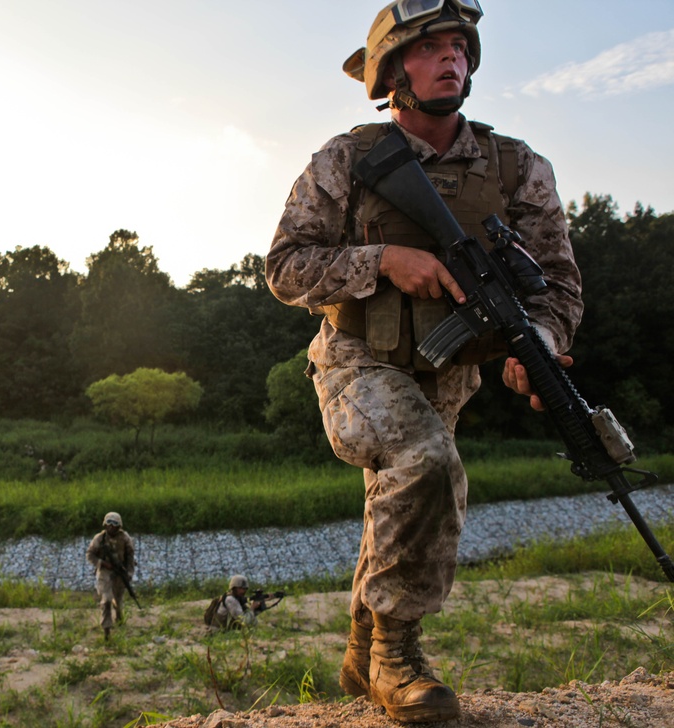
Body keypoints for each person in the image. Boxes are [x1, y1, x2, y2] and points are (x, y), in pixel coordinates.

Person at [266, 1, 582, 722]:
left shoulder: (518, 168)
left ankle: (358, 648)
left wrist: (537, 344)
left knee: (400, 493)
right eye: (431, 47)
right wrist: (383, 260)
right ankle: (395, 657)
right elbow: (284, 269)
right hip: (355, 360)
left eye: (461, 48)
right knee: (427, 462)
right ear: (391, 68)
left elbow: (559, 282)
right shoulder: (346, 160)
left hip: (448, 371)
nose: (452, 60)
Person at [85, 511, 136, 640]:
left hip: (120, 573)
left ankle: (119, 617)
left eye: (114, 524)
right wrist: (102, 563)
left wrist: (129, 573)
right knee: (106, 600)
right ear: (105, 524)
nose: (111, 526)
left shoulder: (125, 538)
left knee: (118, 601)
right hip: (105, 573)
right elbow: (90, 555)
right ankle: (106, 630)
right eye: (109, 523)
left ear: (119, 526)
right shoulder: (99, 539)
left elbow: (130, 557)